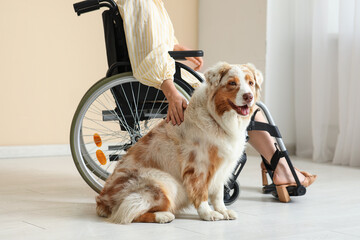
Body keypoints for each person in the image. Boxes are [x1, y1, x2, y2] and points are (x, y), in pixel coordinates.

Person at [116, 0, 316, 200]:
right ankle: (280, 167)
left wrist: (179, 48)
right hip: (161, 82)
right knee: (243, 105)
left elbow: (157, 45)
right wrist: (171, 92)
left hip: (170, 77)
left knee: (247, 100)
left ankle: (275, 163)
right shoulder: (140, 2)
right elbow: (149, 55)